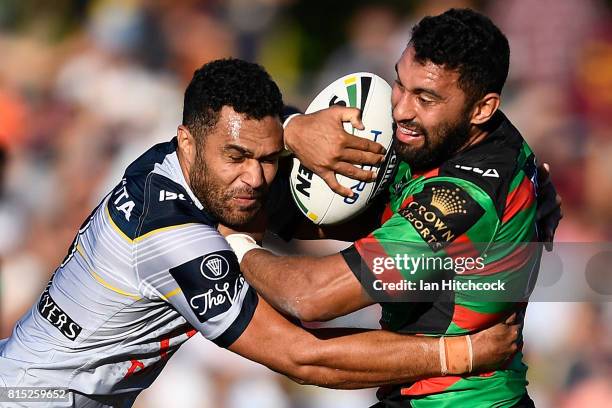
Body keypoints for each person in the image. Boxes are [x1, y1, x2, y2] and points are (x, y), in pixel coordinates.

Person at [0, 58, 519, 408]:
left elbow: (248, 139)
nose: (254, 177)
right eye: (236, 157)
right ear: (188, 143)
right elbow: (302, 354)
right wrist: (457, 355)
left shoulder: (162, 165)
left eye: (268, 158)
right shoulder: (172, 238)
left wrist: (295, 131)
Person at [223, 8, 558, 408]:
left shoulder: (463, 200)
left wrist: (236, 243)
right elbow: (320, 211)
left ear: (482, 108)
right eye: (400, 84)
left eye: (426, 98)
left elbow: (311, 298)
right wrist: (294, 129)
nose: (400, 110)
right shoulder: (447, 138)